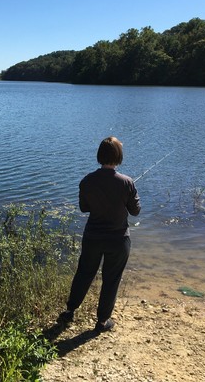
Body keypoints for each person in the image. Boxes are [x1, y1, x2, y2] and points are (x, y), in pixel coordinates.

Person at [58, 136, 141, 333]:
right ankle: (102, 321)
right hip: (118, 240)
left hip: (93, 238)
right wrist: (130, 195)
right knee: (111, 279)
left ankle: (69, 311)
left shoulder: (87, 181)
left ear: (99, 156)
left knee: (84, 274)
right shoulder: (127, 182)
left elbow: (84, 208)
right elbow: (135, 211)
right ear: (119, 157)